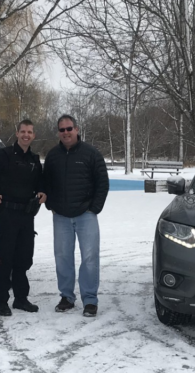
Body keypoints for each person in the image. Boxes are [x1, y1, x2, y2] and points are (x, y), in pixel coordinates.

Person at [0, 119, 47, 316]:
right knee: (5, 259)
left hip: (26, 216)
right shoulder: (3, 155)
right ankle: (1, 301)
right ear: (17, 133)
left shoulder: (33, 159)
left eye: (30, 132)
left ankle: (21, 299)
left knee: (23, 260)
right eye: (23, 131)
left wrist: (42, 192)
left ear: (34, 135)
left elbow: (40, 183)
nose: (26, 135)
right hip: (6, 215)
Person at [43, 114, 109, 317]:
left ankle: (90, 299)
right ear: (58, 132)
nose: (66, 133)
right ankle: (66, 297)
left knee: (89, 258)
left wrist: (94, 208)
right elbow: (45, 183)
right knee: (62, 258)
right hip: (61, 216)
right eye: (62, 130)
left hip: (85, 215)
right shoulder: (53, 155)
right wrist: (51, 206)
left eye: (69, 128)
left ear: (77, 129)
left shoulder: (91, 153)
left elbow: (102, 183)